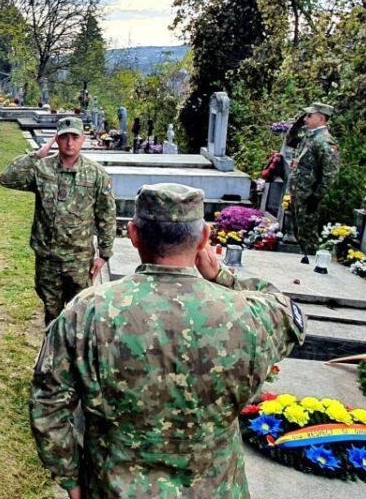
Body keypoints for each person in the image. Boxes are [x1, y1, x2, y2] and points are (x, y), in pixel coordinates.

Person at [30, 183, 306, 496]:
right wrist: (223, 277)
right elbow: (291, 314)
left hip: (114, 487)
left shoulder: (88, 311)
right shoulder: (249, 314)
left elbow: (48, 402)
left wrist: (70, 477)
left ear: (133, 235)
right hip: (215, 488)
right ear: (204, 238)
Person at [0, 116, 116, 325]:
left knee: (79, 315)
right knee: (51, 314)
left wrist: (104, 255)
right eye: (64, 137)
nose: (69, 143)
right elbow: (6, 179)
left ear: (82, 139)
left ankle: (75, 356)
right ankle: (52, 352)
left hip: (79, 260)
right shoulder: (42, 169)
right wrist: (36, 155)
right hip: (48, 258)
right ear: (56, 139)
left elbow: (106, 214)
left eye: (74, 137)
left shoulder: (96, 174)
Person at [285, 102, 340, 261]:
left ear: (321, 118)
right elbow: (291, 141)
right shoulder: (310, 136)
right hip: (300, 193)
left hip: (309, 196)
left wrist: (317, 196)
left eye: (310, 115)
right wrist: (295, 125)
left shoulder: (325, 142)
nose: (305, 118)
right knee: (299, 232)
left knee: (308, 235)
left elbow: (330, 174)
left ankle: (312, 267)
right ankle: (304, 262)